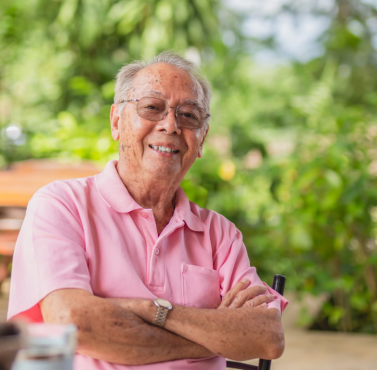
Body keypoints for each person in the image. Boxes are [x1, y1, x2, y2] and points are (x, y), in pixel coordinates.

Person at [7, 51, 287, 370]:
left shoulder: (219, 233)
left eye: (189, 115)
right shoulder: (61, 204)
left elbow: (267, 335)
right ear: (116, 121)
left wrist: (152, 311)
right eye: (152, 107)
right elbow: (75, 323)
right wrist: (215, 333)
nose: (170, 125)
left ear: (202, 137)